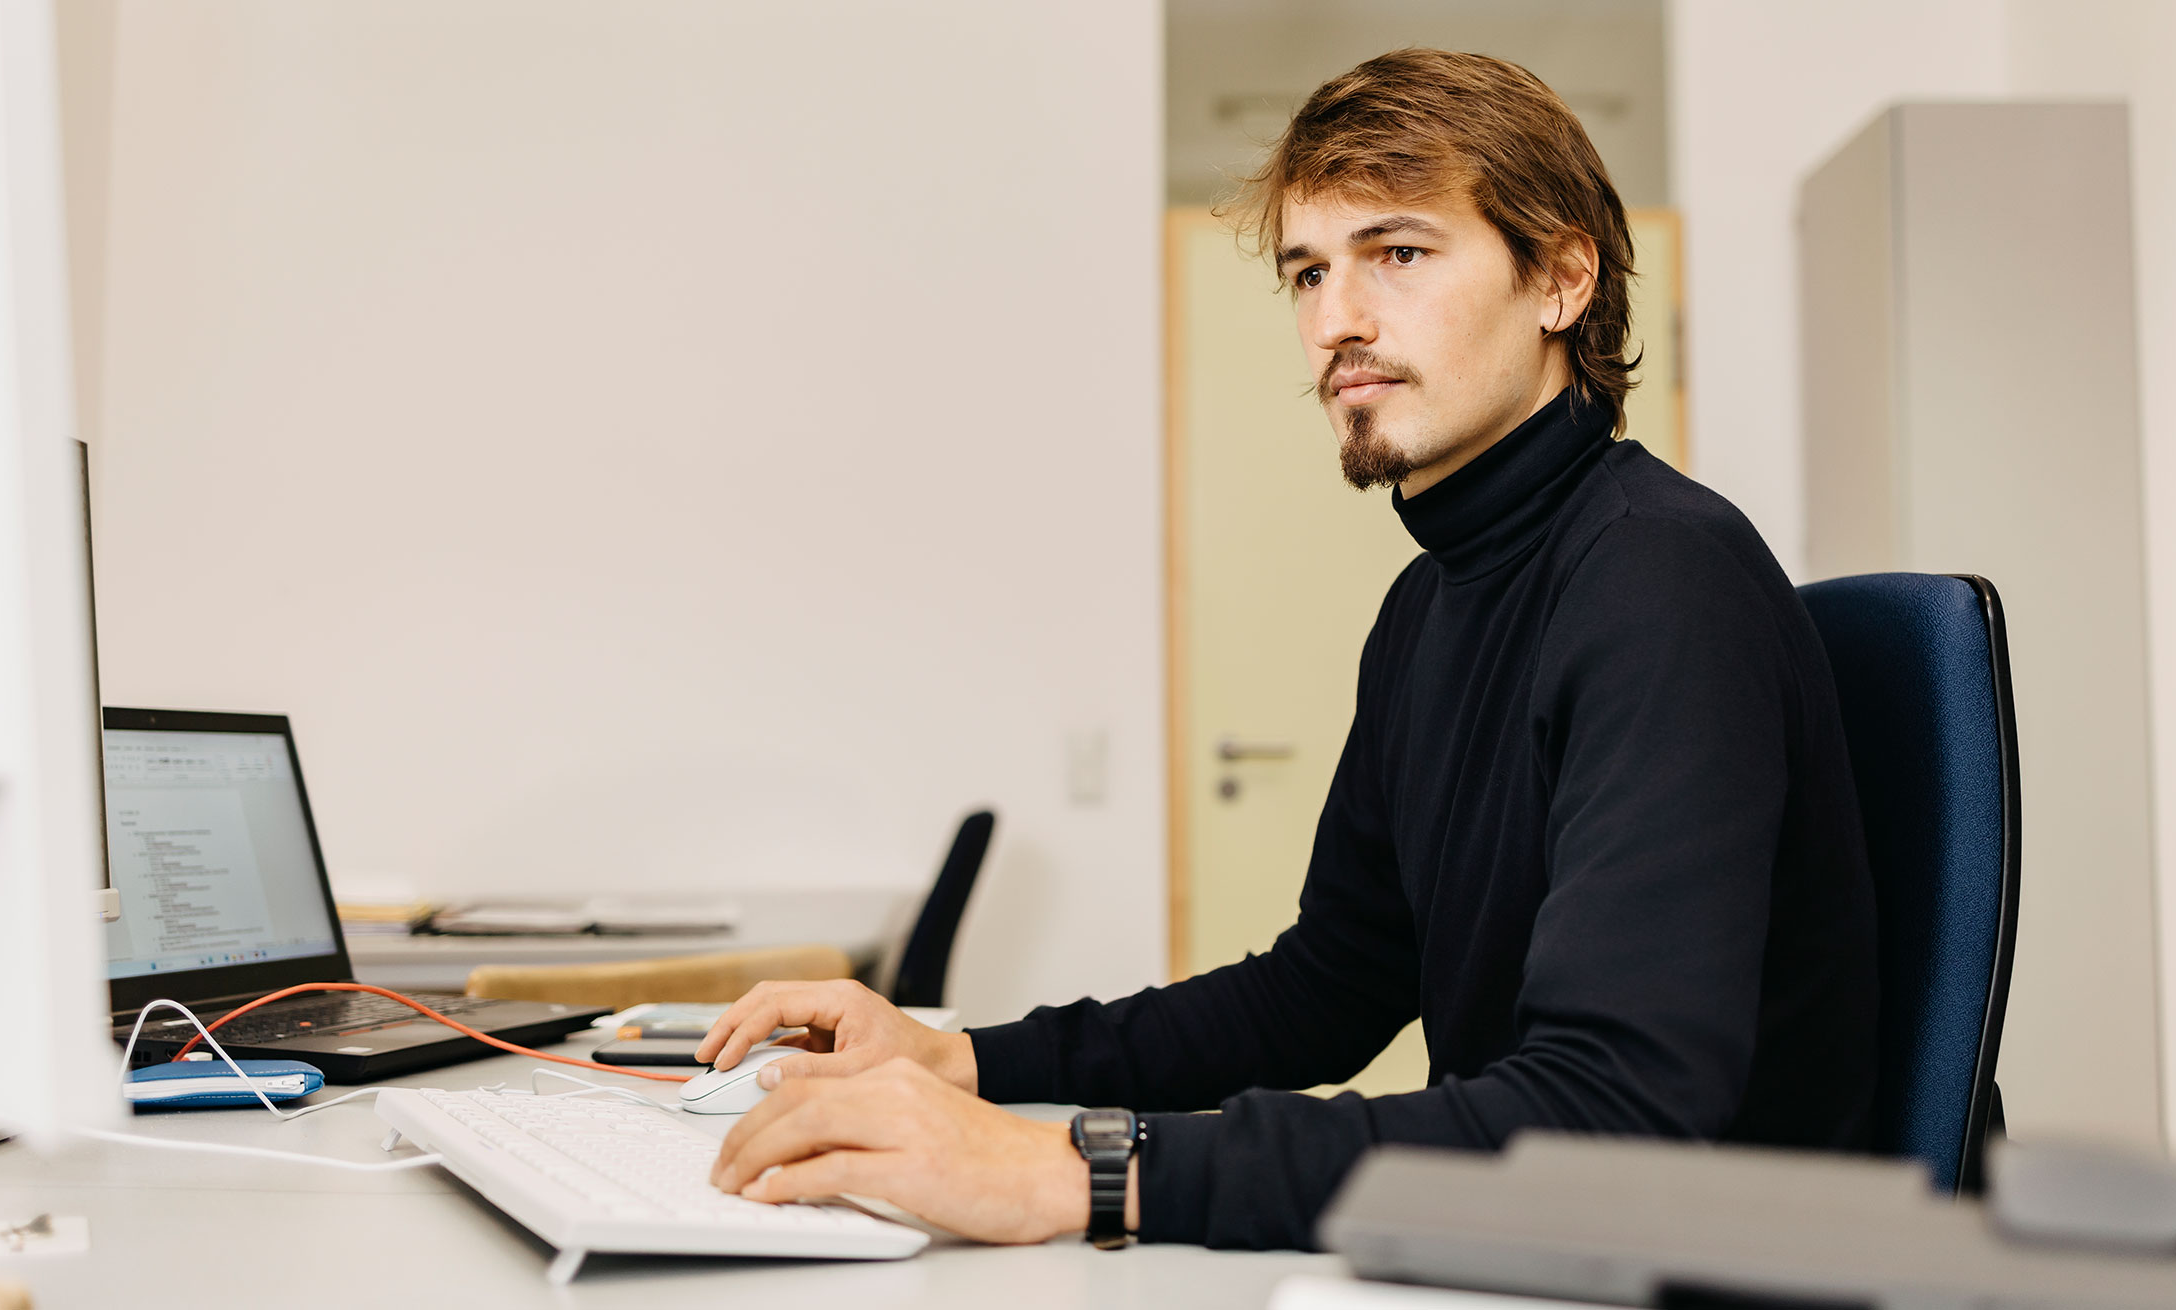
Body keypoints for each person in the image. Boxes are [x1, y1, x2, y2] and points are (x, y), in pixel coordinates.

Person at [697, 47, 1878, 1252]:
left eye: (1398, 254)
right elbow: (1327, 984)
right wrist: (961, 1057)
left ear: (1560, 278)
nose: (1336, 321)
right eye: (1308, 272)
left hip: (1700, 1268)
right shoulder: (1432, 602)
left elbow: (1612, 1118)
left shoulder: (1659, 578)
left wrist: (1083, 1170)